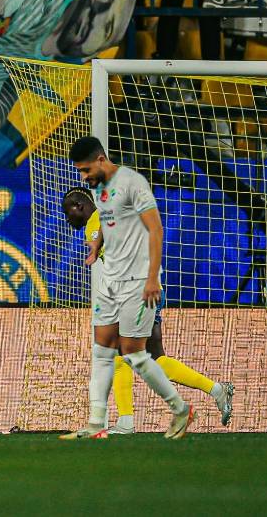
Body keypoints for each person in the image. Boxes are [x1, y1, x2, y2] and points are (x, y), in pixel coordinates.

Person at [62, 187, 234, 434]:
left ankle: (126, 422)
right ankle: (217, 389)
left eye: (68, 212)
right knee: (155, 358)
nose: (67, 219)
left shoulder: (95, 223)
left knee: (119, 354)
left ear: (79, 205)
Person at [60, 137, 194, 440]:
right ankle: (96, 424)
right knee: (102, 351)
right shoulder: (102, 192)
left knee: (134, 354)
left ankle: (180, 409)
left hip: (136, 279)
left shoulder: (132, 183)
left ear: (99, 159)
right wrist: (95, 246)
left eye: (85, 170)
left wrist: (151, 278)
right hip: (111, 279)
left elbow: (155, 228)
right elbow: (110, 225)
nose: (84, 177)